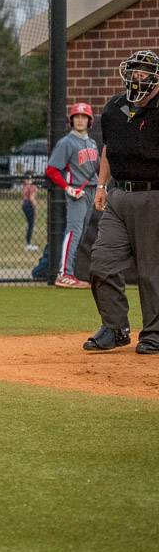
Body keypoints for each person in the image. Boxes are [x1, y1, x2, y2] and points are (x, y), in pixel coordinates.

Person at [83, 50, 159, 355]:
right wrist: (101, 185)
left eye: (144, 71)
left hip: (153, 194)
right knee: (101, 261)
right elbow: (108, 149)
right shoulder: (114, 108)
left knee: (150, 269)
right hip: (118, 196)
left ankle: (154, 333)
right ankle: (115, 329)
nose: (137, 76)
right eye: (133, 70)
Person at [47, 102, 98, 288]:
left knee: (82, 232)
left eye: (84, 117)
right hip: (78, 192)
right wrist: (68, 188)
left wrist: (101, 187)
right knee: (73, 232)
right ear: (71, 120)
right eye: (77, 117)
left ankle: (71, 273)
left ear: (90, 121)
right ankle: (65, 274)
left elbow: (95, 170)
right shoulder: (66, 142)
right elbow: (52, 169)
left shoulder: (91, 142)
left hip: (92, 191)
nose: (80, 120)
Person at [21, 174, 40, 252]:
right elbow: (32, 198)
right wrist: (35, 208)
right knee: (31, 225)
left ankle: (29, 243)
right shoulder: (33, 187)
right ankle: (28, 244)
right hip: (29, 205)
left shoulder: (25, 186)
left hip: (24, 204)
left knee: (29, 224)